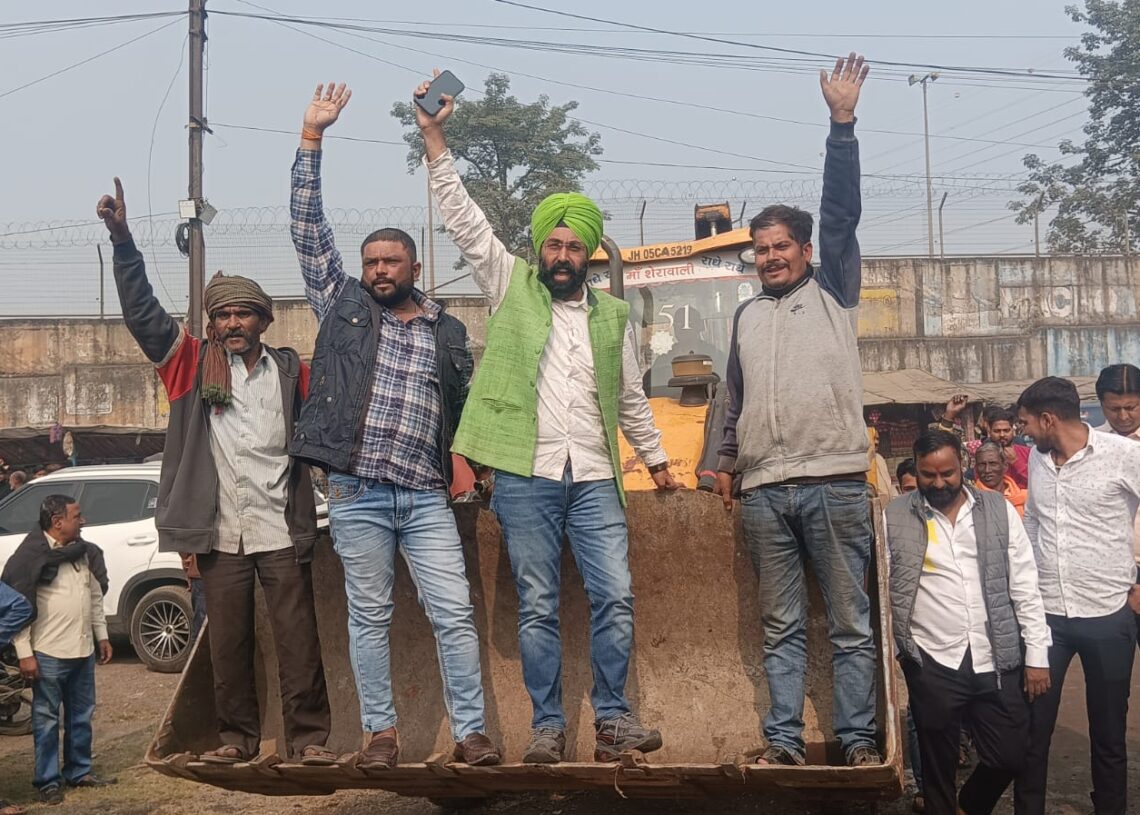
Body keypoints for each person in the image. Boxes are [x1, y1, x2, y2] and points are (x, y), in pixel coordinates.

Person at [417, 69, 679, 764]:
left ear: (590, 252)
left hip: (594, 477)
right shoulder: (510, 284)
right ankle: (548, 727)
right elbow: (465, 220)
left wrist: (656, 460)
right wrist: (435, 140)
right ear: (539, 248)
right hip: (525, 476)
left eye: (574, 246)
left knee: (615, 596)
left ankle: (613, 722)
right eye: (554, 245)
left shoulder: (612, 315)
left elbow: (627, 398)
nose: (563, 256)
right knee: (537, 604)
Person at [290, 83, 497, 769]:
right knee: (369, 616)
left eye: (391, 262)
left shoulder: (447, 329)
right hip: (358, 493)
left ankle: (472, 734)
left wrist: (477, 466)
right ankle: (381, 736)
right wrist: (313, 137)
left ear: (414, 267)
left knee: (454, 613)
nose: (379, 270)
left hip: (426, 496)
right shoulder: (342, 304)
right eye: (371, 262)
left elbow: (462, 409)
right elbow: (307, 230)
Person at [98, 179, 334, 767]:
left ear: (263, 320)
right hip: (219, 536)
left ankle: (308, 742)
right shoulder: (188, 365)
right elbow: (143, 314)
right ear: (212, 321)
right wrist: (123, 242)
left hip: (282, 531)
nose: (232, 323)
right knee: (227, 642)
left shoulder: (292, 373)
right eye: (222, 314)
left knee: (299, 641)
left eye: (242, 313)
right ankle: (237, 740)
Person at [714, 54, 880, 767]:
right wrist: (725, 462)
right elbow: (734, 398)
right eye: (761, 249)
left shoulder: (834, 287)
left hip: (834, 483)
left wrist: (842, 124)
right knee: (779, 627)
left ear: (807, 250)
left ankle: (858, 741)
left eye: (781, 246)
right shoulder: (747, 316)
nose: (770, 257)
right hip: (764, 493)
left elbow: (842, 212)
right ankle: (782, 743)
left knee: (850, 626)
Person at [884, 430, 1050, 815]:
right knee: (937, 766)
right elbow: (884, 585)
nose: (939, 483)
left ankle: (968, 806)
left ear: (963, 465)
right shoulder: (894, 516)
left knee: (1010, 754)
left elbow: (1025, 584)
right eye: (928, 475)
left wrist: (1037, 655)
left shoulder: (998, 510)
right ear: (915, 471)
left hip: (995, 655)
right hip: (932, 659)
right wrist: (898, 650)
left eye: (947, 473)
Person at [1014, 377, 1139, 815]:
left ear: (1048, 419)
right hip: (1048, 618)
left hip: (1108, 615)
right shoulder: (1037, 459)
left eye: (1026, 423)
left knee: (1108, 733)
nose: (1023, 431)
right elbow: (1033, 520)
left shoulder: (1123, 455)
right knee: (1033, 730)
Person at [1, 496, 114, 805]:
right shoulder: (28, 558)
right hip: (48, 652)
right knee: (47, 719)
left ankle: (79, 771)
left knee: (81, 715)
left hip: (82, 649)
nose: (83, 520)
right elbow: (18, 607)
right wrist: (25, 653)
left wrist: (102, 635)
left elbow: (93, 596)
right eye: (77, 516)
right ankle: (48, 781)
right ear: (57, 521)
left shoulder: (83, 552)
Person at [971, 440, 1026, 518]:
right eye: (982, 465)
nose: (987, 470)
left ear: (1005, 466)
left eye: (993, 464)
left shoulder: (1024, 497)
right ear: (976, 468)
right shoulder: (971, 501)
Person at [984, 408, 1030, 489]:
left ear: (1013, 430)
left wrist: (1016, 461)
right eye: (997, 431)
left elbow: (1037, 481)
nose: (1002, 435)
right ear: (989, 431)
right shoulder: (983, 455)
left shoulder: (1028, 452)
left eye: (1006, 430)